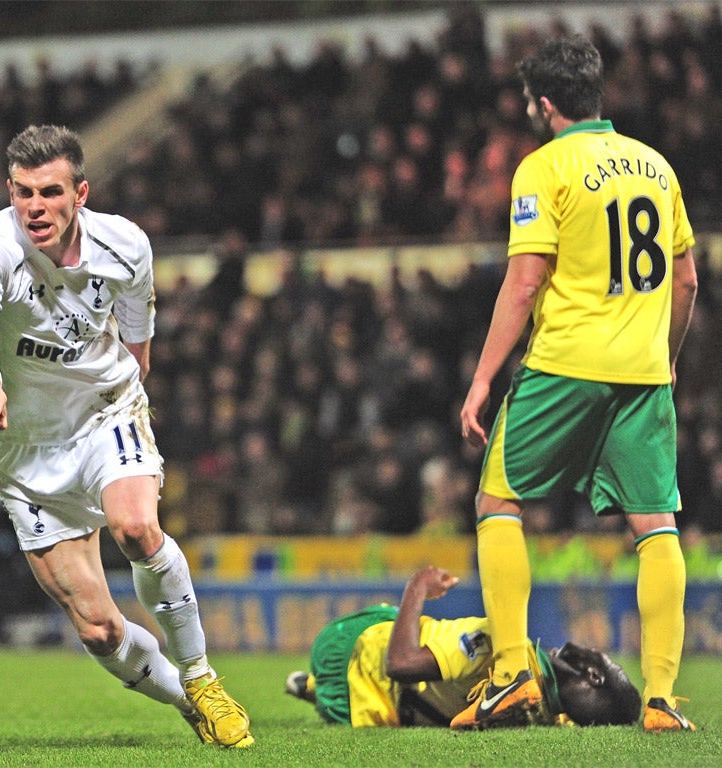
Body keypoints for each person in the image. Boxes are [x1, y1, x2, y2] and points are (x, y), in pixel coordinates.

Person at [0, 124, 253, 747]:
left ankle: (202, 676)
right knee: (98, 630)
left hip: (103, 413)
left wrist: (130, 377)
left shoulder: (126, 245)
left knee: (137, 528)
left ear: (80, 193)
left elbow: (139, 328)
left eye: (50, 192)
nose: (35, 207)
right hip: (25, 449)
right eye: (22, 191)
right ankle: (187, 702)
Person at [454, 35, 698, 732]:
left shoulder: (544, 167)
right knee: (656, 525)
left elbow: (526, 283)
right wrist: (668, 355)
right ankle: (660, 700)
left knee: (498, 498)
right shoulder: (657, 166)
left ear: (546, 103)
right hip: (644, 373)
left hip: (564, 364)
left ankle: (510, 678)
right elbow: (686, 280)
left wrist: (481, 380)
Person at [284, 566, 641, 728]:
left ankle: (314, 685)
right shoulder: (551, 717)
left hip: (347, 649)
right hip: (367, 710)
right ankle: (312, 687)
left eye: (603, 659)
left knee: (401, 626)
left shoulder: (497, 643)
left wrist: (418, 586)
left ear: (592, 673)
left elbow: (400, 663)